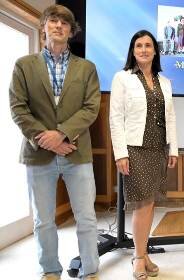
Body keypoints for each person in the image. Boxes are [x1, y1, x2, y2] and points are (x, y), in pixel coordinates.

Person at [9, 4, 100, 280]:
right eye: (53, 20)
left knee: (86, 218)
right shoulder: (24, 65)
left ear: (71, 32)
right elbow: (18, 108)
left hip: (76, 152)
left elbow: (91, 107)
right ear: (43, 27)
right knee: (44, 220)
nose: (58, 25)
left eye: (64, 23)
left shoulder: (87, 68)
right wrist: (46, 140)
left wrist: (60, 134)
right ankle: (49, 269)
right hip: (38, 155)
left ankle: (91, 270)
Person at [109, 30, 178, 280]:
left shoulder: (165, 82)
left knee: (151, 203)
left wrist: (174, 149)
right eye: (139, 45)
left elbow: (170, 117)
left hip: (159, 148)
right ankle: (138, 258)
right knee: (142, 204)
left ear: (155, 51)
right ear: (133, 50)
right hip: (135, 149)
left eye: (148, 45)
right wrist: (120, 154)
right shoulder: (122, 78)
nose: (144, 49)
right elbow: (115, 118)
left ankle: (144, 252)